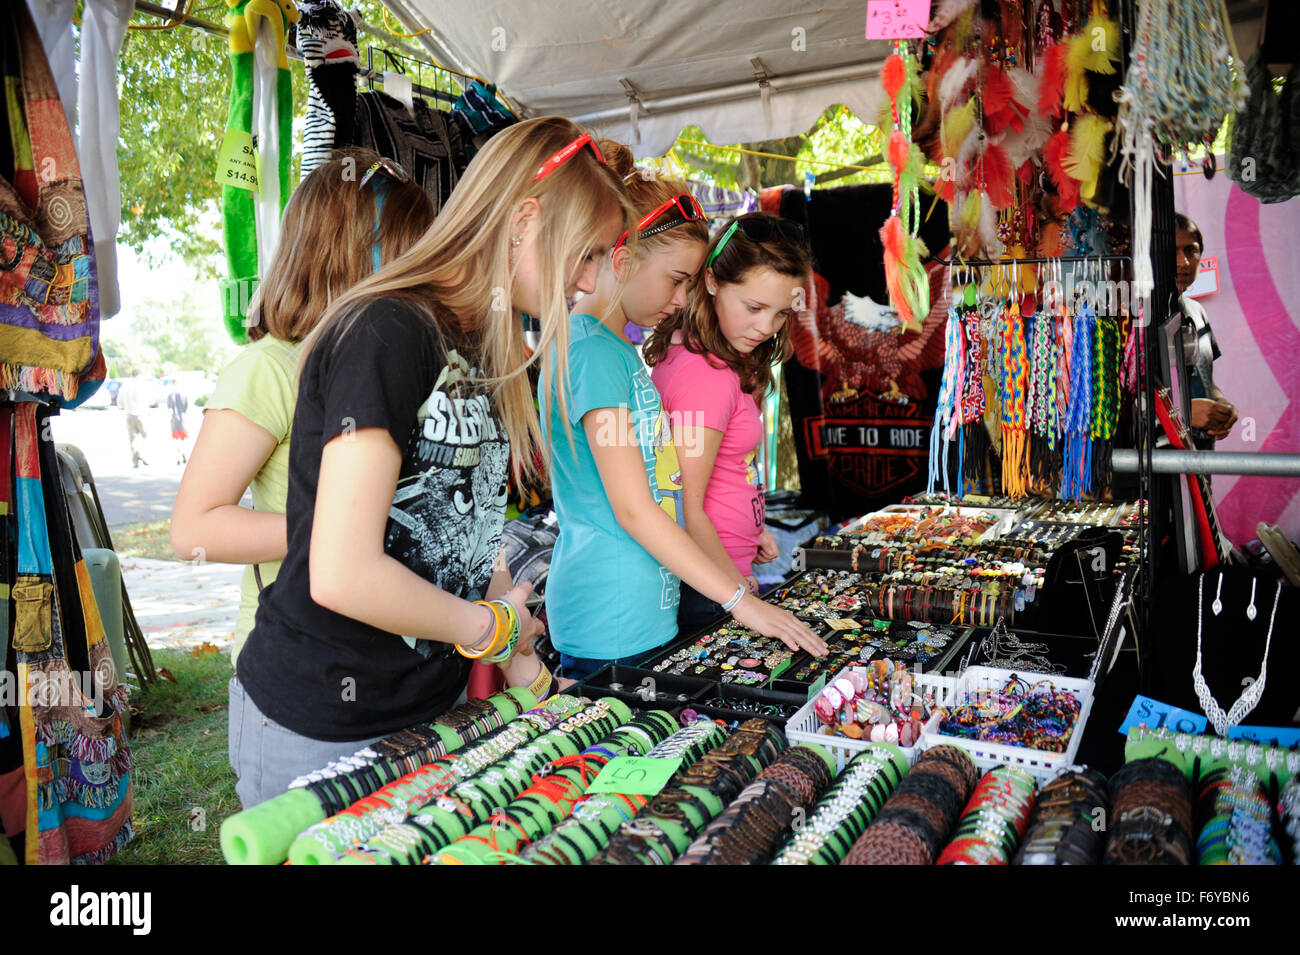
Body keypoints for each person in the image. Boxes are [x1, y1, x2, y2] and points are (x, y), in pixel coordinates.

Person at [228, 118, 631, 808]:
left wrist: (528, 668)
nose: (590, 280)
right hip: (324, 723)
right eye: (585, 253)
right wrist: (491, 629)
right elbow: (344, 573)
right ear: (525, 221)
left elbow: (471, 533)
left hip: (429, 712)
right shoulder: (386, 330)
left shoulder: (487, 345)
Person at [542, 147, 826, 683]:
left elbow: (663, 488)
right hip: (610, 621)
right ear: (624, 258)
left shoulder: (615, 352)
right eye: (676, 279)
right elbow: (634, 510)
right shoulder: (592, 353)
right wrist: (739, 600)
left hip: (642, 612)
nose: (682, 297)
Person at [170, 149, 435, 674]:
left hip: (389, 660)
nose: (421, 272)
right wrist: (342, 531)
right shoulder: (269, 368)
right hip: (299, 668)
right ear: (346, 253)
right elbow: (193, 530)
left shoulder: (392, 361)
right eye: (408, 252)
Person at [646, 211, 806, 634]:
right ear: (712, 281)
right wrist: (739, 595)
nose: (766, 327)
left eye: (781, 314)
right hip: (713, 587)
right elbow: (686, 504)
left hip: (720, 574)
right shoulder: (706, 375)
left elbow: (724, 473)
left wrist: (751, 531)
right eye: (754, 307)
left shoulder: (708, 356)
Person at [1175, 213, 1236, 449]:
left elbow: (1204, 378)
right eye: (1173, 251)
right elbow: (1127, 397)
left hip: (1201, 456)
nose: (1184, 262)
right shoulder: (1138, 317)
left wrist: (1221, 404)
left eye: (1191, 250)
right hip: (1160, 461)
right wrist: (1184, 412)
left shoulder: (1197, 311)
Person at [118, 372, 148, 468]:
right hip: (141, 414)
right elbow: (149, 400)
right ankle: (143, 454)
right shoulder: (142, 385)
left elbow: (120, 402)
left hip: (129, 415)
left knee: (132, 439)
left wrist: (127, 407)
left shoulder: (125, 386)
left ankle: (135, 461)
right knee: (145, 436)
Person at [166, 386, 189, 464]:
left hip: (174, 419)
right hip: (182, 419)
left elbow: (168, 407)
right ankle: (183, 454)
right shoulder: (184, 394)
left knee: (176, 439)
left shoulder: (170, 395)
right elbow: (186, 407)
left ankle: (178, 457)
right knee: (183, 439)